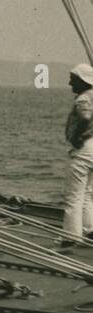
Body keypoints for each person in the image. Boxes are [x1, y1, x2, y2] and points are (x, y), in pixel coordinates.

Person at [62, 63, 93, 247]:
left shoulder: (83, 98)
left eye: (73, 79)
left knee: (73, 194)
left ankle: (70, 237)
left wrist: (78, 136)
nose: (70, 83)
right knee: (88, 192)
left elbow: (85, 117)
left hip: (86, 147)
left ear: (83, 81)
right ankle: (89, 230)